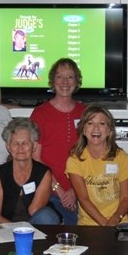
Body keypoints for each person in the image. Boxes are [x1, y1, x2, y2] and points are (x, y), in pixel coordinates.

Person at [31, 58, 85, 225]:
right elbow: (36, 158)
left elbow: (91, 156)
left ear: (77, 81)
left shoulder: (85, 113)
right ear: (53, 81)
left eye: (70, 77)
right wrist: (60, 191)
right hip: (50, 192)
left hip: (82, 191)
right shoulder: (40, 114)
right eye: (60, 77)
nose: (65, 82)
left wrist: (75, 191)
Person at [66, 105, 128, 226]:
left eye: (102, 124)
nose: (96, 128)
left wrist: (115, 219)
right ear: (83, 130)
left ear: (109, 130)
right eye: (90, 123)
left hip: (119, 222)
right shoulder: (74, 160)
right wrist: (106, 225)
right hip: (88, 224)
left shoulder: (122, 158)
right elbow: (83, 199)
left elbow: (126, 198)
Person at [0, 118, 60, 224]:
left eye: (25, 143)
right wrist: (15, 230)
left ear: (34, 146)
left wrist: (24, 231)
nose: (20, 148)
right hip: (6, 226)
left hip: (35, 224)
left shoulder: (43, 173)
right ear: (8, 147)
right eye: (15, 143)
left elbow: (34, 210)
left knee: (47, 217)